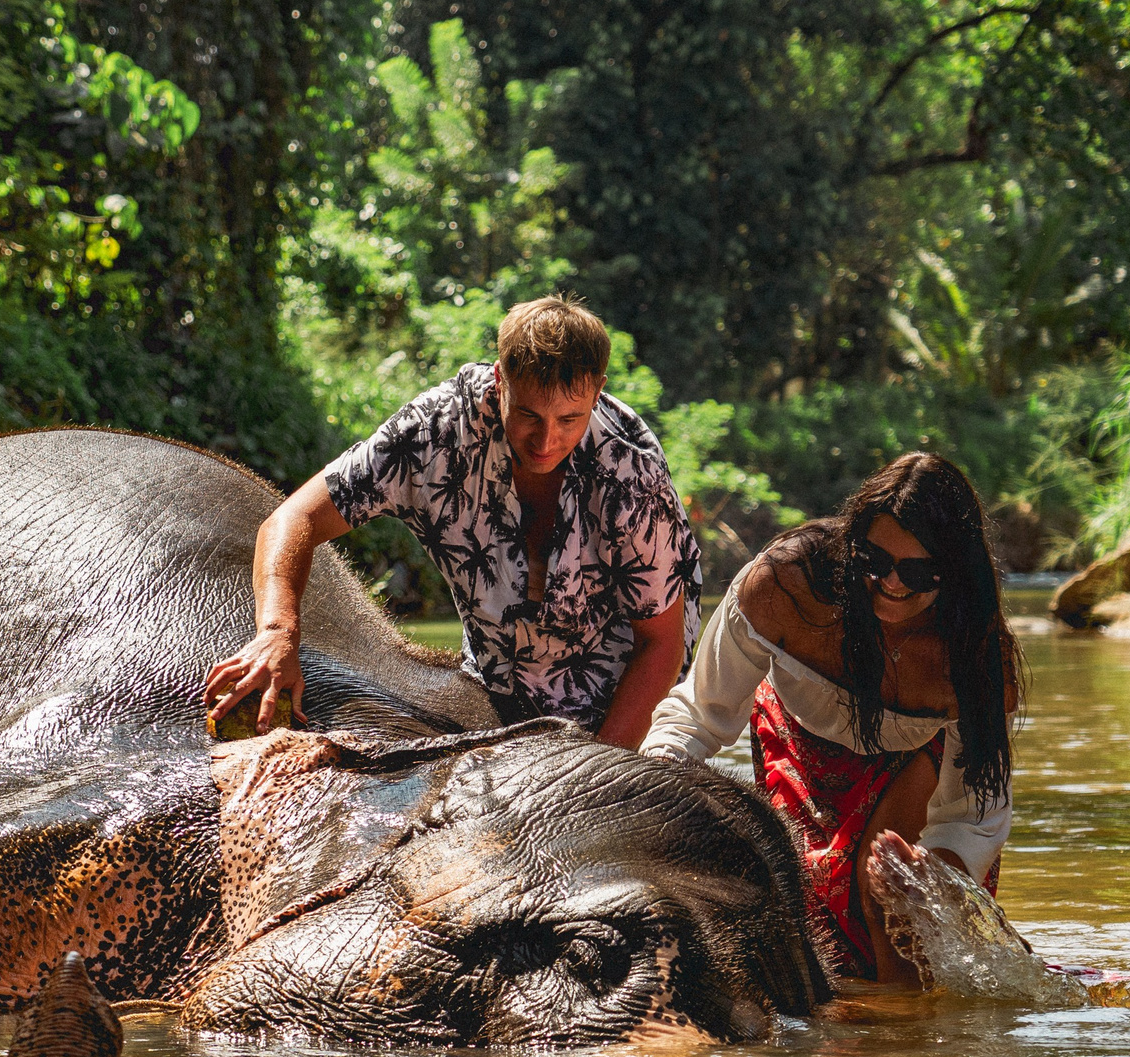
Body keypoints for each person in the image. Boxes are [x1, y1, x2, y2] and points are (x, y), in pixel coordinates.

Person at [203, 296, 699, 747]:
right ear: (500, 382)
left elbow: (660, 645)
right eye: (528, 415)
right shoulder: (437, 432)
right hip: (498, 680)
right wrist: (276, 632)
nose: (546, 441)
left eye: (570, 419)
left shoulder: (631, 477)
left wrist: (596, 772)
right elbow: (294, 519)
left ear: (597, 392)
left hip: (633, 703)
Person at [641, 452, 1019, 985]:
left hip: (920, 755)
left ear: (955, 573)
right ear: (852, 543)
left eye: (918, 571)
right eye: (874, 560)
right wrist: (650, 788)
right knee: (827, 966)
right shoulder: (784, 585)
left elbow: (975, 812)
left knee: (896, 908)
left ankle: (920, 1056)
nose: (892, 584)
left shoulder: (976, 655)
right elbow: (700, 715)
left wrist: (931, 885)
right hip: (799, 740)